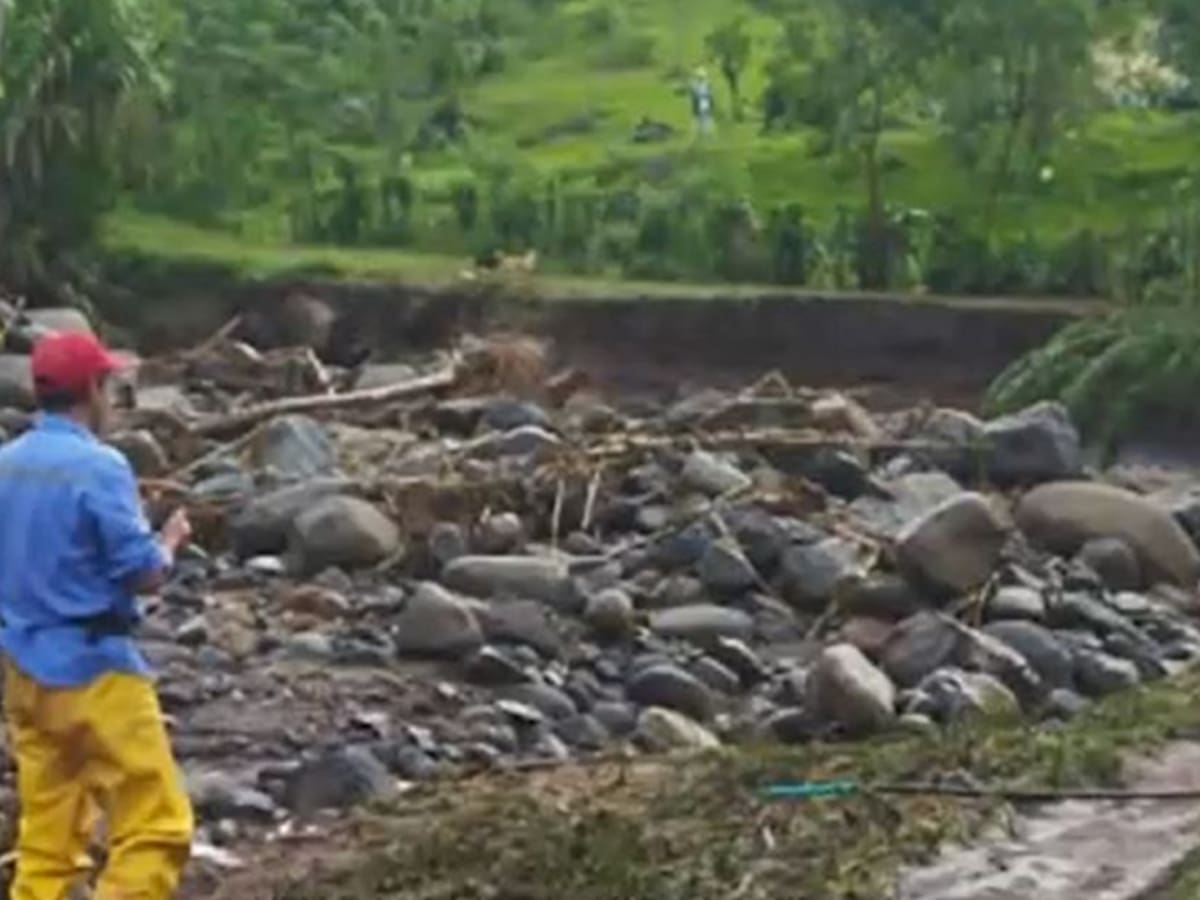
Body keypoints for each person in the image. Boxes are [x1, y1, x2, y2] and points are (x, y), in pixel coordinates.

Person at [0, 331, 195, 899]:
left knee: (48, 838)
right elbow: (143, 573)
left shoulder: (6, 464)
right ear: (93, 388)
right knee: (158, 824)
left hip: (23, 673)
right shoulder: (101, 466)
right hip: (96, 670)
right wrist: (170, 543)